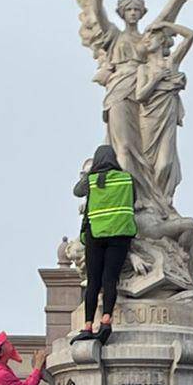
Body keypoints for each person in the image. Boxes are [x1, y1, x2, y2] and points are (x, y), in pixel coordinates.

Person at [71, 145, 136, 345]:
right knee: (110, 279)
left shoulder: (91, 181)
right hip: (120, 234)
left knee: (93, 282)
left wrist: (91, 172)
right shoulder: (126, 179)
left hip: (95, 235)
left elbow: (76, 191)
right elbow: (134, 199)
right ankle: (106, 320)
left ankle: (88, 326)